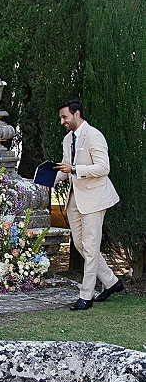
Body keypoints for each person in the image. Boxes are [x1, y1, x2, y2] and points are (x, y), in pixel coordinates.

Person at [54, 100, 122, 311]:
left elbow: (103, 168)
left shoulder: (94, 135)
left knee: (91, 247)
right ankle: (111, 282)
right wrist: (45, 181)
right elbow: (66, 169)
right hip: (74, 198)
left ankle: (86, 296)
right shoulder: (67, 139)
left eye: (65, 117)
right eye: (61, 118)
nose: (62, 121)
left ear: (77, 114)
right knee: (80, 245)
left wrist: (74, 168)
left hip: (94, 197)